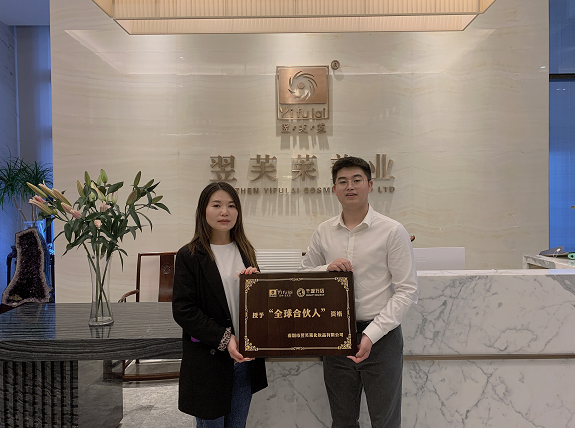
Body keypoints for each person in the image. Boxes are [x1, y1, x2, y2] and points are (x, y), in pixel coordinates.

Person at [301, 156, 418, 428]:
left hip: (382, 338)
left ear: (370, 185)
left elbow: (407, 290)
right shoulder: (323, 231)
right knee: (342, 420)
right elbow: (303, 275)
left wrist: (371, 334)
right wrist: (326, 269)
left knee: (385, 421)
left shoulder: (392, 231)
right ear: (334, 189)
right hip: (334, 336)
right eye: (343, 181)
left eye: (357, 180)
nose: (350, 186)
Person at [172, 182, 268, 428]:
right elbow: (184, 310)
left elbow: (259, 305)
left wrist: (257, 285)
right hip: (209, 361)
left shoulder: (246, 251)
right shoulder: (189, 255)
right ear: (203, 211)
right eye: (216, 205)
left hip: (244, 362)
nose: (225, 212)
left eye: (231, 206)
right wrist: (225, 339)